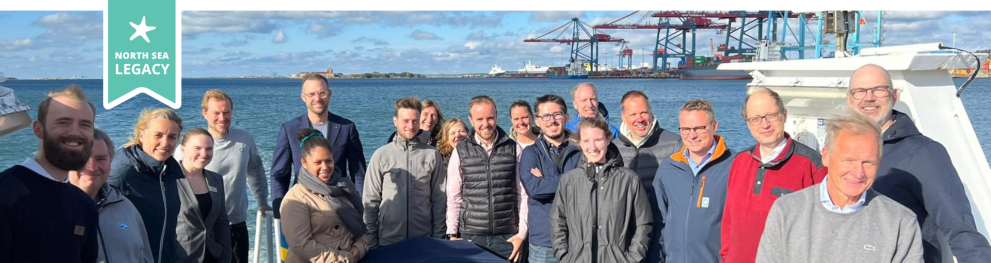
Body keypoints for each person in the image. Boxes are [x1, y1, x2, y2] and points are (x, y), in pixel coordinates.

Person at [846, 64, 991, 262]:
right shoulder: (843, 151)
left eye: (879, 90)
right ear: (849, 100)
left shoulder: (924, 153)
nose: (869, 98)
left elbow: (959, 229)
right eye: (860, 91)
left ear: (894, 96)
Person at [755, 111, 923, 263]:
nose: (858, 173)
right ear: (826, 156)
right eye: (848, 160)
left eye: (868, 162)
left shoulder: (901, 222)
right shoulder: (786, 211)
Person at [720, 88, 828, 263]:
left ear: (784, 115)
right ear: (748, 123)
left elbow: (823, 231)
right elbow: (729, 221)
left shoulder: (813, 165)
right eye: (755, 119)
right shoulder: (739, 162)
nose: (764, 124)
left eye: (771, 115)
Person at [0, 85, 99, 263]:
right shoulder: (6, 194)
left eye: (85, 124)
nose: (75, 132)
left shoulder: (85, 206)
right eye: (63, 122)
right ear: (39, 129)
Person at [173, 89, 269, 263]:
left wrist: (262, 202)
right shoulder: (195, 145)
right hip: (203, 229)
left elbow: (256, 172)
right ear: (204, 113)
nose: (222, 118)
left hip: (236, 222)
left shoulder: (244, 138)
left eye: (226, 112)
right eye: (216, 113)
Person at [551, 117, 652, 263]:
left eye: (598, 140)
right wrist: (564, 256)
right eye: (586, 141)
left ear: (608, 139)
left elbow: (643, 224)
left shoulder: (629, 180)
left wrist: (632, 259)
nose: (593, 147)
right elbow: (558, 221)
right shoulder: (569, 181)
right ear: (579, 143)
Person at [272, 73, 367, 218]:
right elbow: (279, 174)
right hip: (303, 204)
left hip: (341, 205)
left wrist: (360, 205)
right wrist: (279, 211)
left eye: (322, 93)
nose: (317, 99)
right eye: (311, 94)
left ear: (329, 94)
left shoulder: (346, 127)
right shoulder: (289, 129)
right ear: (303, 97)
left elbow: (358, 173)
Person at [446, 95, 528, 262]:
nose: (485, 124)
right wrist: (453, 235)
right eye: (479, 119)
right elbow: (454, 197)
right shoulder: (460, 152)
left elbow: (523, 195)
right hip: (471, 236)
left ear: (497, 116)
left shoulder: (514, 149)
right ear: (471, 120)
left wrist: (521, 234)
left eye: (490, 118)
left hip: (507, 237)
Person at [653, 99, 735, 263]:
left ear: (714, 126)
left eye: (699, 128)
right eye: (686, 129)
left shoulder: (734, 166)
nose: (692, 135)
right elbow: (658, 221)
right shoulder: (669, 167)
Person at [363, 97, 447, 248]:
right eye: (405, 121)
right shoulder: (381, 155)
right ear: (395, 121)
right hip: (388, 241)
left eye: (415, 121)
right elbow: (370, 201)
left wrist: (438, 238)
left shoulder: (432, 155)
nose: (411, 126)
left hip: (424, 240)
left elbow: (439, 199)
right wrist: (371, 242)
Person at [612, 91, 682, 263]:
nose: (640, 119)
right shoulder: (612, 149)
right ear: (623, 117)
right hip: (625, 231)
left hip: (661, 230)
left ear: (651, 112)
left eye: (643, 112)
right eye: (633, 114)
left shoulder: (675, 144)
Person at [281, 128, 369, 263]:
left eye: (329, 161)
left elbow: (359, 227)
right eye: (318, 162)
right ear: (304, 163)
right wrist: (346, 258)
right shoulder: (295, 199)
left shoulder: (344, 187)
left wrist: (359, 248)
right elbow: (302, 246)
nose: (325, 167)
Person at [109, 108, 184, 263]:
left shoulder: (169, 172)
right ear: (142, 135)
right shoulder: (122, 171)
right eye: (158, 135)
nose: (165, 143)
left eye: (172, 137)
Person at [69, 128, 155, 263]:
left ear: (111, 162)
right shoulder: (48, 211)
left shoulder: (126, 208)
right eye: (82, 157)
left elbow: (144, 257)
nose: (92, 166)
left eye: (101, 159)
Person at [519, 94, 582, 263]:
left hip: (578, 238)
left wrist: (547, 179)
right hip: (544, 241)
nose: (552, 120)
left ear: (566, 117)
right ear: (537, 121)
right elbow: (535, 189)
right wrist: (574, 179)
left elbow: (588, 186)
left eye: (557, 114)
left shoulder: (581, 149)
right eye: (545, 116)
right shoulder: (530, 153)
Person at [175, 128, 232, 263]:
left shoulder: (216, 179)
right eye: (197, 148)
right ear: (183, 150)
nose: (204, 154)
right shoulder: (170, 179)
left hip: (213, 255)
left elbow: (221, 222)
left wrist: (226, 256)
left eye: (209, 149)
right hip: (181, 256)